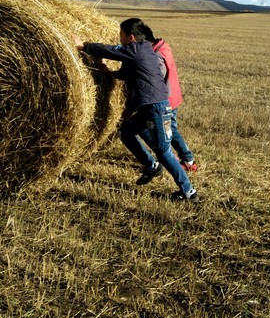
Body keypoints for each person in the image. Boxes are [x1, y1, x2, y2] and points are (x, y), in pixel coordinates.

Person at [74, 18, 199, 202]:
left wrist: (83, 46)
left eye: (121, 36)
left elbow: (109, 50)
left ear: (131, 37)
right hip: (149, 107)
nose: (119, 39)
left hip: (157, 107)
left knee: (163, 150)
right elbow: (126, 74)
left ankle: (188, 192)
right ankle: (151, 165)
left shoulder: (136, 49)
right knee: (126, 132)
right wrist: (106, 71)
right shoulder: (144, 51)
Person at [136, 22, 197, 172]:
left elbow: (156, 79)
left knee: (170, 130)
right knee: (162, 129)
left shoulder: (156, 55)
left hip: (166, 100)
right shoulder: (162, 47)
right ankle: (174, 157)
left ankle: (187, 160)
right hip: (172, 96)